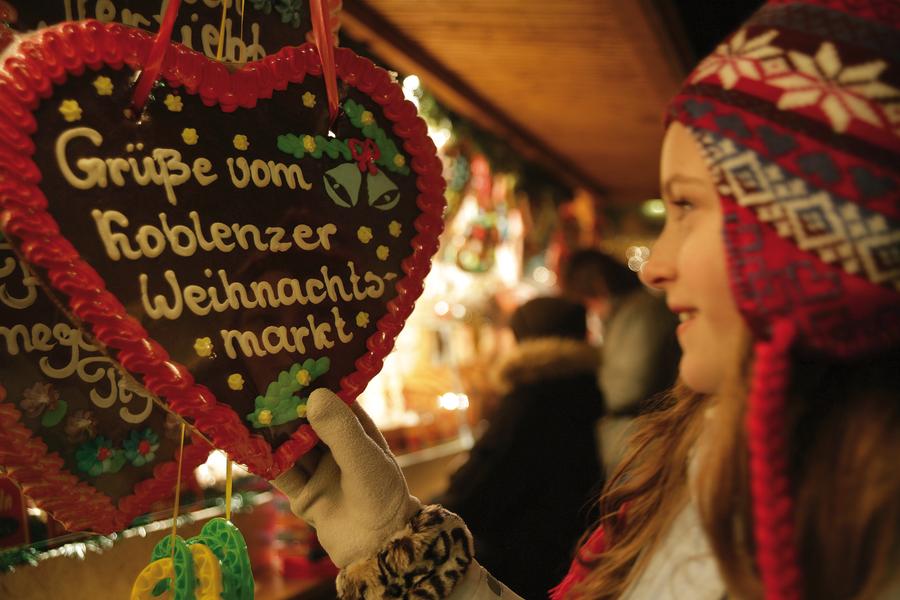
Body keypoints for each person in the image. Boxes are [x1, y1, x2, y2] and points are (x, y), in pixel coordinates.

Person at [272, 1, 900, 598]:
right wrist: (391, 548)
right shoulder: (709, 464)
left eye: (686, 204)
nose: (654, 267)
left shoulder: (845, 528)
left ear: (809, 233)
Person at [434, 296, 604, 599]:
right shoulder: (585, 389)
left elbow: (481, 483)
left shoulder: (529, 399)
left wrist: (424, 514)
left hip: (524, 557)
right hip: (570, 547)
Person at [561, 248, 680, 473]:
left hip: (641, 448)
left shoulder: (640, 314)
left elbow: (628, 388)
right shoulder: (629, 314)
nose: (591, 310)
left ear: (598, 286)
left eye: (587, 300)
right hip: (636, 445)